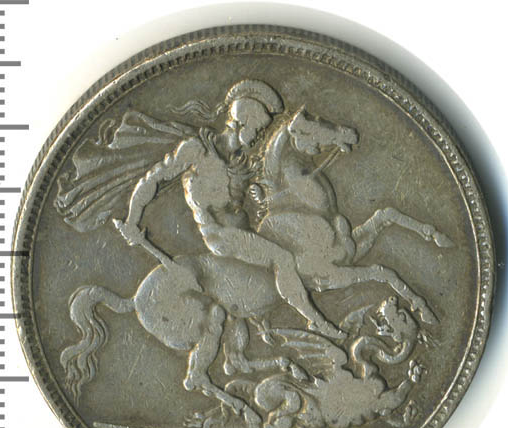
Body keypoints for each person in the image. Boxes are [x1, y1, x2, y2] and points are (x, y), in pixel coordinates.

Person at [113, 80, 343, 339]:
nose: (260, 136)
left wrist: (258, 195)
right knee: (283, 259)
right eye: (258, 128)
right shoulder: (197, 151)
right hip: (220, 235)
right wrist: (132, 219)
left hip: (245, 230)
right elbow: (153, 180)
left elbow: (250, 200)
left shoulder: (241, 161)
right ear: (242, 122)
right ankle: (315, 320)